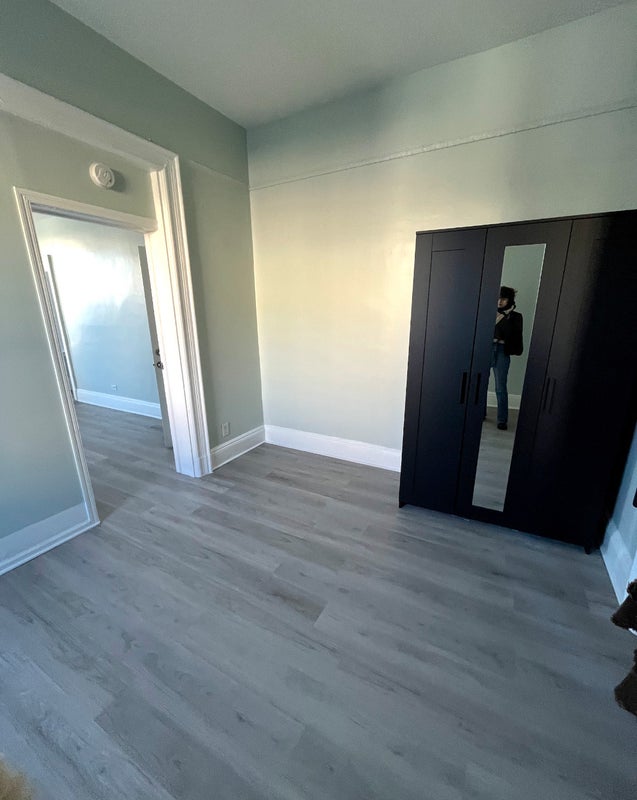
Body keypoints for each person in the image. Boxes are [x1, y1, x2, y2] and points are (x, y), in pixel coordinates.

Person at [490, 286, 523, 430]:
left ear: (509, 300)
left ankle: (502, 420)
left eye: (503, 299)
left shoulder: (515, 316)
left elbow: (513, 336)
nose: (500, 301)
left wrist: (505, 316)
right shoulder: (488, 311)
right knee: (481, 383)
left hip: (502, 351)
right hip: (487, 348)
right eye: (498, 298)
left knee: (500, 387)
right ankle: (480, 413)